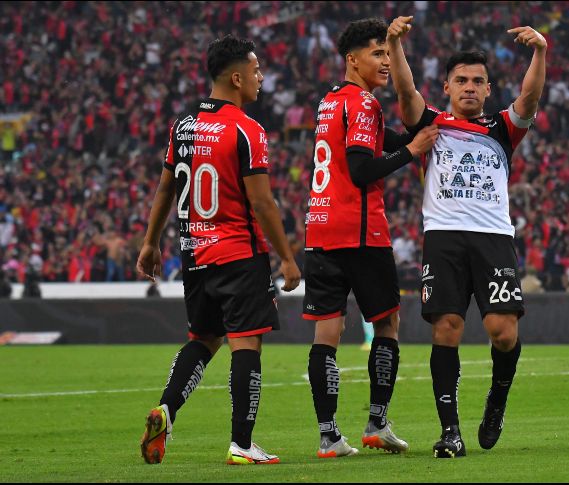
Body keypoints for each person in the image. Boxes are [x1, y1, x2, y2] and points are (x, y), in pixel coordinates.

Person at [135, 35, 301, 466]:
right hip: (238, 253)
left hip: (193, 254)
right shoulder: (247, 129)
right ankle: (243, 444)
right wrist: (285, 256)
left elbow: (166, 186)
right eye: (256, 69)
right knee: (247, 344)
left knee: (203, 339)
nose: (261, 77)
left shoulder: (183, 123)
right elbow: (262, 202)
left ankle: (166, 411)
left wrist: (151, 241)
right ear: (236, 76)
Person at [387, 16, 546, 457]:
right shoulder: (430, 123)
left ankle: (497, 399)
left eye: (478, 81)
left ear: (489, 90)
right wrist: (395, 44)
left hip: (493, 236)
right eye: (462, 80)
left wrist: (540, 51)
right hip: (443, 236)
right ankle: (450, 431)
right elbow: (403, 91)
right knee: (447, 328)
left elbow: (530, 98)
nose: (470, 87)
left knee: (502, 332)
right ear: (448, 87)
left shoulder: (502, 129)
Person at [303, 18, 438, 459]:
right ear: (352, 59)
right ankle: (377, 422)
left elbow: (396, 138)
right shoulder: (363, 104)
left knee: (327, 332)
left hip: (319, 229)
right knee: (387, 323)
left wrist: (419, 137)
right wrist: (411, 153)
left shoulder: (330, 102)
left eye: (387, 53)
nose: (384, 61)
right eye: (377, 53)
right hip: (360, 232)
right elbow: (363, 168)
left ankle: (328, 436)